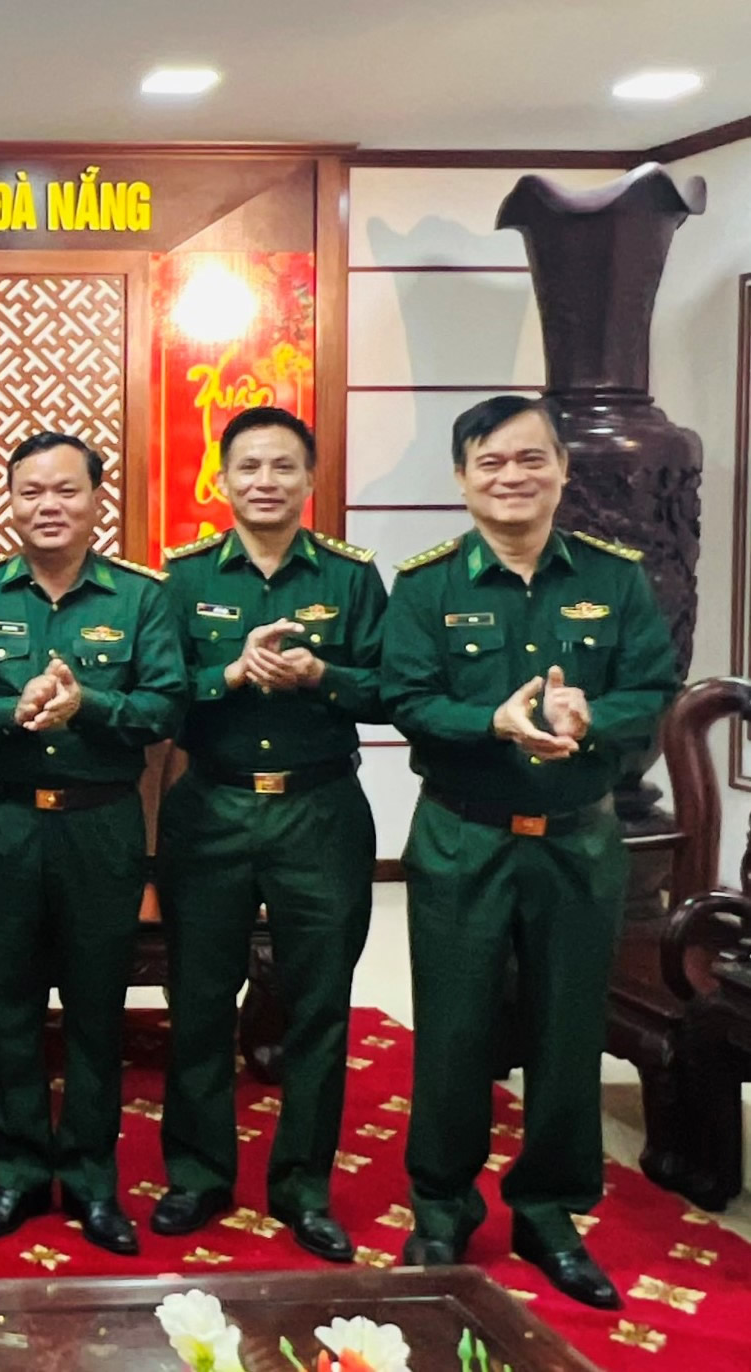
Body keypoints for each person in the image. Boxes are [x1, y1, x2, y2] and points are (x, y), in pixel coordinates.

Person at [382, 394, 678, 1308]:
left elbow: (654, 685)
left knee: (566, 1029)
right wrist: (491, 720)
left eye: (528, 460)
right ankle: (442, 1202)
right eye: (490, 463)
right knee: (455, 1027)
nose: (511, 477)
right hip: (463, 834)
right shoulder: (427, 585)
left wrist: (592, 724)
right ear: (463, 479)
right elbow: (407, 696)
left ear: (560, 469)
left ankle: (549, 1209)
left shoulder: (615, 577)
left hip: (577, 839)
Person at [152, 406, 388, 1263]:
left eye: (283, 467)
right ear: (221, 481)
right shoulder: (179, 579)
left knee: (319, 1005)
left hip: (319, 813)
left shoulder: (353, 577)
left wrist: (320, 674)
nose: (265, 482)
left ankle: (303, 1186)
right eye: (248, 467)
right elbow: (158, 695)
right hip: (210, 808)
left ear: (309, 480)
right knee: (201, 999)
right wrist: (228, 673)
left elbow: (390, 690)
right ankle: (198, 1175)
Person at [0, 431, 185, 1257]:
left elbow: (165, 707)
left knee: (93, 1007)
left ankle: (89, 1178)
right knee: (6, 1000)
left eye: (66, 491)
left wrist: (91, 706)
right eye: (30, 492)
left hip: (101, 823)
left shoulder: (141, 598)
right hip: (6, 819)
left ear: (95, 501)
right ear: (9, 501)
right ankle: (13, 1172)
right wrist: (5, 713)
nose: (48, 506)